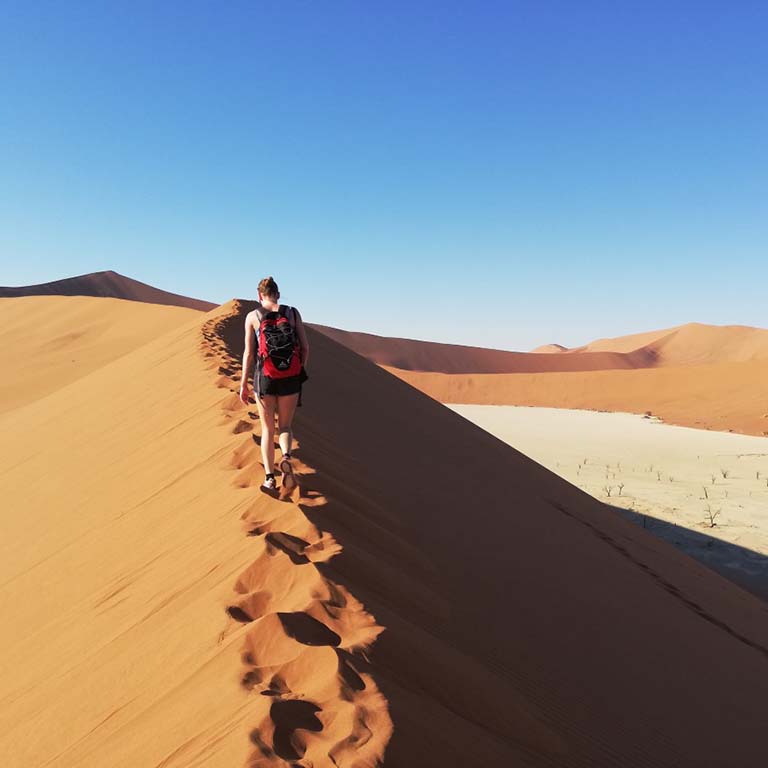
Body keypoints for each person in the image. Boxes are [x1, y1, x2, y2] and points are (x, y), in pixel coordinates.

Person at [239, 276, 309, 492]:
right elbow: (305, 348)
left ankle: (270, 478)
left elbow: (249, 353)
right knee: (285, 426)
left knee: (268, 429)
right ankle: (286, 457)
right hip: (290, 378)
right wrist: (297, 370)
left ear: (260, 295)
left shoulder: (253, 316)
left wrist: (243, 383)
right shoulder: (293, 313)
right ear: (277, 294)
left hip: (265, 379)